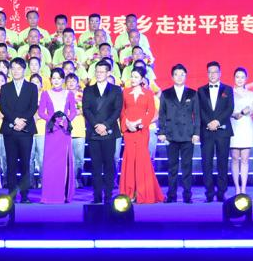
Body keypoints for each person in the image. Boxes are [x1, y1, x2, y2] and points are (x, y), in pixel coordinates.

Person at [119, 65, 163, 204]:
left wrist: (139, 122)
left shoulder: (148, 93)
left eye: (136, 77)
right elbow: (122, 111)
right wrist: (127, 124)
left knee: (142, 160)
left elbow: (151, 112)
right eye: (132, 76)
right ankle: (129, 192)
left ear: (142, 79)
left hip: (142, 131)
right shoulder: (125, 92)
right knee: (129, 160)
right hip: (129, 131)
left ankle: (142, 192)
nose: (133, 79)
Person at [82, 59, 122, 204]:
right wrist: (96, 126)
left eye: (102, 72)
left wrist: (105, 125)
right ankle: (97, 196)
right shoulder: (88, 90)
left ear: (108, 73)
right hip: (94, 133)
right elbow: (86, 109)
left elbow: (117, 110)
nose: (99, 74)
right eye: (97, 71)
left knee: (109, 165)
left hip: (109, 132)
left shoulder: (116, 90)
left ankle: (109, 195)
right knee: (96, 166)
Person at [156, 63, 199, 203]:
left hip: (188, 135)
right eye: (176, 74)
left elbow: (197, 115)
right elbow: (162, 114)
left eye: (182, 74)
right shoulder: (166, 93)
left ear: (186, 76)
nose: (179, 77)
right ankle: (171, 195)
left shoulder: (192, 93)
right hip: (171, 135)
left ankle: (187, 195)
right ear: (172, 77)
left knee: (187, 167)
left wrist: (196, 133)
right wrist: (161, 132)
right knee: (172, 167)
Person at [0, 58, 39, 203]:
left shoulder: (32, 87)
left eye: (19, 68)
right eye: (13, 68)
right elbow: (3, 107)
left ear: (24, 70)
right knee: (11, 163)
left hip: (26, 130)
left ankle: (25, 195)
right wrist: (15, 120)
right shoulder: (5, 88)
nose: (15, 71)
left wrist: (22, 122)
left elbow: (33, 107)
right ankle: (11, 194)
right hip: (10, 129)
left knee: (25, 163)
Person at [37, 68, 77, 203]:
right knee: (50, 163)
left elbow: (73, 112)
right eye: (54, 78)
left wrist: (65, 120)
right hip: (51, 130)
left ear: (63, 80)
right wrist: (53, 120)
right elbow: (41, 112)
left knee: (63, 163)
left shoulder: (69, 94)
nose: (56, 81)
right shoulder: (45, 93)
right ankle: (49, 195)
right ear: (50, 79)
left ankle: (62, 194)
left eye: (59, 78)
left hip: (64, 131)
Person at [198, 61, 234, 203]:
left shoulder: (228, 89)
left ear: (220, 73)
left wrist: (217, 122)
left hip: (223, 131)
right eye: (210, 72)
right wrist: (209, 122)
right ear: (207, 74)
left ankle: (221, 192)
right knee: (206, 163)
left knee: (222, 163)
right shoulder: (201, 90)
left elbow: (229, 108)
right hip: (206, 131)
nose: (212, 74)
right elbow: (199, 110)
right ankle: (209, 192)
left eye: (215, 72)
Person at [230, 67, 253, 196]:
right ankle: (237, 188)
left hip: (246, 127)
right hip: (233, 126)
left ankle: (244, 188)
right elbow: (226, 109)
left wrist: (242, 112)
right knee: (235, 158)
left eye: (242, 77)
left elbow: (251, 109)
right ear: (234, 78)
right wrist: (233, 113)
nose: (240, 79)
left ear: (246, 79)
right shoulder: (228, 93)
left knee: (245, 159)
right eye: (237, 77)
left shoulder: (252, 95)